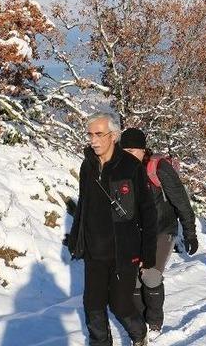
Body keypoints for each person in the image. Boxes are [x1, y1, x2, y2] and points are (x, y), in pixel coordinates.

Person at [67, 114, 158, 346]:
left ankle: (139, 335)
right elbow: (83, 204)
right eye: (90, 134)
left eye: (99, 134)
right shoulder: (87, 165)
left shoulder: (131, 166)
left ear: (114, 136)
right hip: (94, 252)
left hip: (124, 252)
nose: (93, 140)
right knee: (93, 306)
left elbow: (148, 212)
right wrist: (76, 239)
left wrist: (148, 254)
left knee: (120, 304)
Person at [120, 128, 198, 334]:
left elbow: (181, 201)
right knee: (133, 280)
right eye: (124, 150)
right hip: (136, 233)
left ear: (143, 149)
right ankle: (141, 322)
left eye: (133, 150)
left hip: (163, 229)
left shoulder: (159, 168)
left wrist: (190, 232)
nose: (128, 155)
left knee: (151, 275)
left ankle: (154, 323)